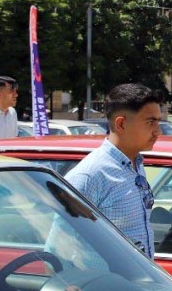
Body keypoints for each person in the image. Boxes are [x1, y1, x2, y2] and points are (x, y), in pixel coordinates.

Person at [64, 83, 164, 257]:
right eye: (150, 122)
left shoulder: (136, 164)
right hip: (103, 283)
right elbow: (61, 245)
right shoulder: (90, 175)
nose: (158, 131)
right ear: (121, 124)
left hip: (138, 281)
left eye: (158, 121)